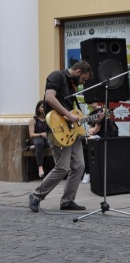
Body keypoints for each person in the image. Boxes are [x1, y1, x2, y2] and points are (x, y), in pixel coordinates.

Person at [28, 61, 102, 213]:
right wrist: (68, 114)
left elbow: (74, 116)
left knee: (79, 166)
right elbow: (49, 98)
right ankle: (36, 195)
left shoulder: (70, 84)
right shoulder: (57, 76)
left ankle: (67, 200)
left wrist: (93, 118)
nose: (83, 83)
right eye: (84, 79)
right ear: (78, 71)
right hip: (56, 130)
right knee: (62, 167)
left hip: (71, 132)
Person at [28, 100, 49, 178]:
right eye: (42, 107)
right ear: (38, 109)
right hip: (37, 139)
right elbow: (31, 135)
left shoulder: (49, 119)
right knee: (39, 143)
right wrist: (41, 134)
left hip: (47, 140)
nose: (44, 109)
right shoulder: (33, 120)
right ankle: (40, 167)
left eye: (45, 107)